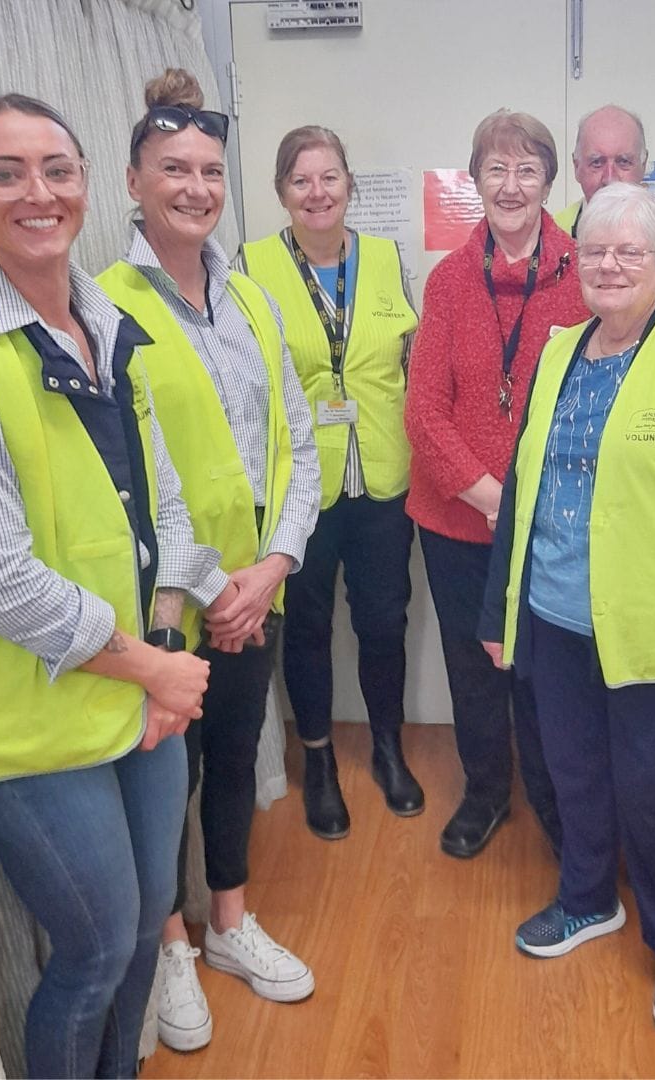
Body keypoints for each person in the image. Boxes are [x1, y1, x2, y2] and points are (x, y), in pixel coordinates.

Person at [0, 93, 226, 1078]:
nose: (37, 193)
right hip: (30, 721)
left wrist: (163, 649)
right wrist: (153, 670)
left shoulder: (111, 327)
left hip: (138, 692)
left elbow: (164, 511)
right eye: (5, 173)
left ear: (88, 185)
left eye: (57, 169)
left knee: (144, 929)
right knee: (92, 951)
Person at [480, 182, 655, 1031]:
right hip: (556, 618)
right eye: (596, 251)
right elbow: (523, 488)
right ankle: (587, 899)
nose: (609, 265)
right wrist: (501, 613)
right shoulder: (560, 350)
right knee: (573, 777)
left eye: (630, 251)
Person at [97, 70, 321, 1052]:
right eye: (173, 169)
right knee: (165, 778)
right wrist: (212, 583)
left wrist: (271, 568)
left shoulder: (252, 301)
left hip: (254, 593)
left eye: (210, 171)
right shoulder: (102, 308)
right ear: (134, 182)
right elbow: (132, 472)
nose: (195, 187)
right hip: (163, 605)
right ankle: (172, 946)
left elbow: (297, 444)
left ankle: (229, 922)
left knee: (232, 755)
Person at [405, 108, 590, 859]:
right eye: (496, 169)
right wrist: (491, 497)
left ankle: (557, 801)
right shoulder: (450, 280)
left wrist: (527, 508)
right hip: (457, 520)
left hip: (553, 522)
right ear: (476, 179)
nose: (511, 186)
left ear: (549, 181)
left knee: (548, 671)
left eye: (527, 170)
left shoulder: (587, 272)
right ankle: (485, 792)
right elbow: (423, 412)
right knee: (472, 665)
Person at [239, 125, 421, 841]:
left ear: (349, 184)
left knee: (383, 621)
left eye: (329, 177)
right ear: (282, 192)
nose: (317, 193)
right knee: (309, 626)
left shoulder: (388, 259)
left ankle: (387, 747)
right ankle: (317, 759)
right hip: (300, 489)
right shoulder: (250, 266)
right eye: (300, 180)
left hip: (382, 479)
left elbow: (408, 360)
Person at [555, 104, 648, 238]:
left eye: (623, 162)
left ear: (643, 165)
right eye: (597, 163)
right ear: (576, 167)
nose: (610, 179)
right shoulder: (552, 233)